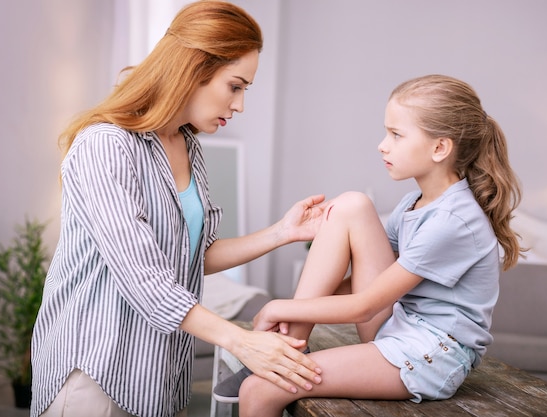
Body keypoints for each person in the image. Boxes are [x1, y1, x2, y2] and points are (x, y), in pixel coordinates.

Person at [30, 2, 326, 417]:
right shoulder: (105, 146)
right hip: (97, 370)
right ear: (195, 69)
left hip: (160, 372)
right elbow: (146, 278)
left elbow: (191, 257)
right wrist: (240, 340)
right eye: (235, 86)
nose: (239, 105)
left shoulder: (188, 147)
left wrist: (282, 232)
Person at [213, 74, 523, 416]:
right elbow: (368, 281)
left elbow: (364, 305)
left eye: (396, 135)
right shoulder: (412, 203)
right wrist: (293, 310)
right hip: (397, 325)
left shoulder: (454, 220)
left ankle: (285, 350)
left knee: (261, 388)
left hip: (431, 353)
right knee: (351, 204)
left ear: (439, 148)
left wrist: (278, 308)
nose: (382, 145)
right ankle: (291, 346)